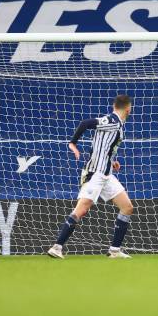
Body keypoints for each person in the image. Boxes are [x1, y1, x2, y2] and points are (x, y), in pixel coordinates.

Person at [48, 95, 134, 259]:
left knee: (127, 207)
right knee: (82, 210)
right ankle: (57, 247)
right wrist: (73, 143)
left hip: (107, 174)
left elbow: (101, 147)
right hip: (95, 174)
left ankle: (114, 251)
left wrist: (112, 161)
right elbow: (85, 124)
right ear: (128, 109)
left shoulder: (119, 125)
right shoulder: (112, 121)